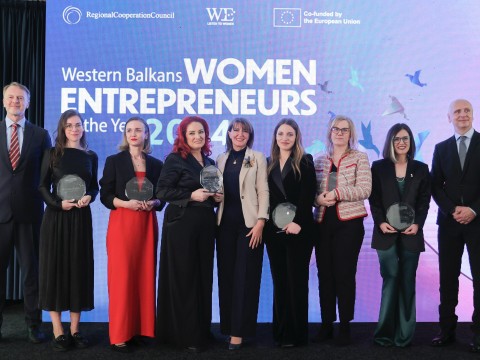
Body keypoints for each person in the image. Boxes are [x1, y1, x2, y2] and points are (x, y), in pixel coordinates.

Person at [156, 116, 222, 352]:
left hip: (205, 224)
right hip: (181, 224)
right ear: (183, 136)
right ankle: (185, 335)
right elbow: (162, 191)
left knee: (203, 277)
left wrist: (216, 198)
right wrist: (190, 196)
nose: (197, 137)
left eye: (201, 132)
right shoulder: (175, 159)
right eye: (192, 133)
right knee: (185, 279)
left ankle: (202, 331)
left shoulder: (209, 161)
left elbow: (211, 192)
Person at [100, 116, 164, 353]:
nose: (134, 133)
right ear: (125, 135)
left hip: (147, 224)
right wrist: (125, 204)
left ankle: (139, 330)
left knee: (144, 276)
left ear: (146, 134)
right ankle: (119, 335)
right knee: (122, 278)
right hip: (122, 223)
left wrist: (155, 201)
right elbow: (105, 194)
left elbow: (162, 196)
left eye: (139, 130)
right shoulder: (114, 161)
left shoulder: (156, 164)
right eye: (129, 130)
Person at [38, 109, 98, 351]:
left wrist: (89, 198)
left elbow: (93, 187)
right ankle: (58, 329)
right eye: (70, 125)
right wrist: (57, 204)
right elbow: (42, 186)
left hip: (81, 219)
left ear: (83, 128)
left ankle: (75, 329)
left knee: (78, 269)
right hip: (56, 218)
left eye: (78, 125)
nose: (75, 129)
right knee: (55, 269)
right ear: (63, 129)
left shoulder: (90, 156)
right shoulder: (52, 154)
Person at [369, 123, 431, 347]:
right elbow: (374, 200)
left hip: (411, 233)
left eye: (405, 138)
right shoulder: (378, 167)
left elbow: (424, 201)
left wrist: (418, 224)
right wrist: (381, 223)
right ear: (390, 142)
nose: (401, 142)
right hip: (385, 233)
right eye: (396, 139)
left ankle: (403, 336)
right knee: (391, 278)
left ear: (411, 141)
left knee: (407, 281)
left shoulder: (421, 168)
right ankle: (384, 334)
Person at [312, 115, 371, 346]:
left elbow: (365, 189)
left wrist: (337, 194)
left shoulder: (360, 158)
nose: (339, 133)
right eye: (335, 129)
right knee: (324, 275)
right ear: (329, 132)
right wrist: (317, 199)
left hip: (350, 223)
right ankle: (327, 324)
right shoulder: (318, 161)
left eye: (344, 130)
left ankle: (345, 325)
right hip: (323, 222)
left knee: (345, 275)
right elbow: (312, 193)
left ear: (350, 134)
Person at [0, 82, 51, 343]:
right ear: (4, 101)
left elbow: (46, 177)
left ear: (28, 103)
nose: (15, 101)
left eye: (20, 98)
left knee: (32, 272)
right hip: (0, 215)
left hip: (30, 215)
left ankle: (33, 325)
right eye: (11, 97)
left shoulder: (40, 135)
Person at [430, 99, 480, 352]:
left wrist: (473, 209)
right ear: (449, 117)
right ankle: (446, 330)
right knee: (447, 277)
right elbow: (435, 185)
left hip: (478, 221)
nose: (462, 115)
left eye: (467, 111)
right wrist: (452, 210)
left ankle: (478, 334)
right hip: (448, 223)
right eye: (457, 111)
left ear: (473, 115)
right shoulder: (441, 148)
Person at [216, 118, 269, 350]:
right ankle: (228, 328)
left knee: (245, 278)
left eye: (244, 131)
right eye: (235, 130)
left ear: (250, 135)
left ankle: (239, 332)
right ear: (228, 133)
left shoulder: (257, 157)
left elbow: (263, 190)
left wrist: (261, 222)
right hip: (224, 226)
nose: (239, 134)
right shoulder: (220, 159)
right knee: (227, 277)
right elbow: (218, 191)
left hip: (250, 227)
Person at [264, 118, 316, 347]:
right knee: (280, 281)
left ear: (296, 138)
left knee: (297, 282)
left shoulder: (305, 161)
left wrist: (298, 222)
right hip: (274, 231)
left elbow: (307, 196)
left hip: (299, 230)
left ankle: (297, 335)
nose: (285, 138)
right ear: (275, 137)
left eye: (290, 134)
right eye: (281, 134)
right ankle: (281, 332)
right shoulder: (267, 163)